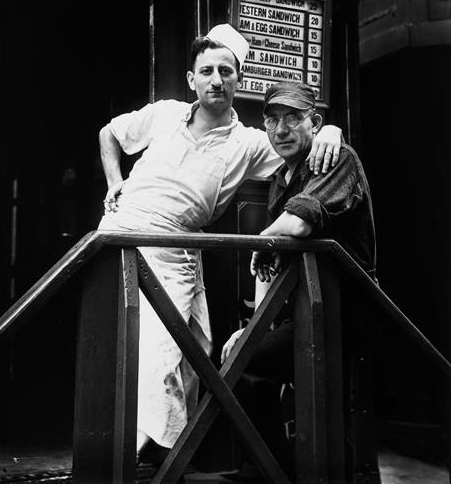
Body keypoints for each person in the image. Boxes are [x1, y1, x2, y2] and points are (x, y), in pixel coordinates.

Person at [97, 25, 343, 461]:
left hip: (175, 250)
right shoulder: (165, 113)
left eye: (225, 71)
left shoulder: (250, 142)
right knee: (143, 353)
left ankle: (158, 457)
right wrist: (115, 182)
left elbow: (302, 147)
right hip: (120, 233)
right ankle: (127, 457)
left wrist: (332, 131)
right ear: (191, 79)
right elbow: (110, 134)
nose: (216, 79)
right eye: (206, 70)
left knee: (195, 350)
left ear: (238, 79)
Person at [221, 80, 377, 482]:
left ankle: (273, 471)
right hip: (306, 312)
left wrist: (264, 241)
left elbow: (300, 221)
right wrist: (252, 328)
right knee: (242, 362)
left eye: (293, 118)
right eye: (272, 120)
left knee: (318, 403)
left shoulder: (335, 156)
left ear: (316, 122)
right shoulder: (280, 178)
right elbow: (272, 270)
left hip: (346, 313)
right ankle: (273, 469)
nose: (281, 129)